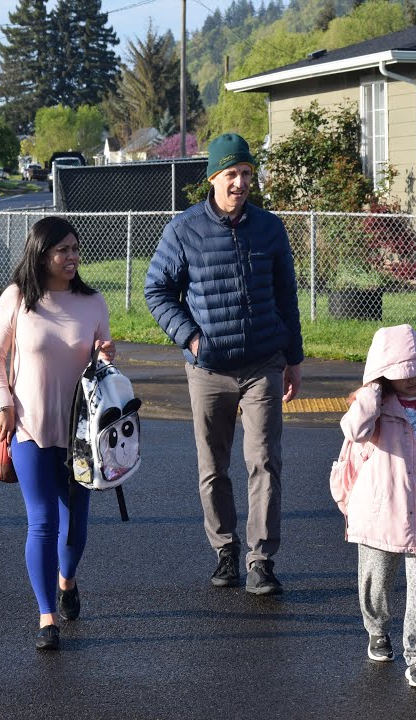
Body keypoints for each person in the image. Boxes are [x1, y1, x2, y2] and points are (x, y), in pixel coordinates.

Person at [144, 133, 304, 596]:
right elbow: (157, 291)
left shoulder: (270, 228)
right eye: (231, 174)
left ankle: (261, 559)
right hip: (209, 367)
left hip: (264, 363)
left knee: (265, 461)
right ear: (213, 177)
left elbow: (285, 297)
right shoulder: (183, 229)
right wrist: (191, 339)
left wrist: (293, 359)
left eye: (247, 174)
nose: (240, 183)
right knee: (213, 466)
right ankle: (225, 550)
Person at [0, 216, 116, 651]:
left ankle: (67, 579)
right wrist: (4, 403)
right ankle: (46, 617)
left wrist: (105, 354)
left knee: (75, 526)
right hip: (28, 426)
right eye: (63, 250)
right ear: (41, 254)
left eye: (76, 249)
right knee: (41, 521)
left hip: (81, 434)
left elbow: (104, 371)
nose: (73, 257)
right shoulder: (17, 298)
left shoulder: (93, 302)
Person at [332, 324, 416, 689]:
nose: (408, 380)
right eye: (398, 373)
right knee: (376, 576)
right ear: (381, 373)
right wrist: (371, 392)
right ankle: (377, 629)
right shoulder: (377, 402)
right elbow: (353, 430)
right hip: (383, 501)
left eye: (415, 370)